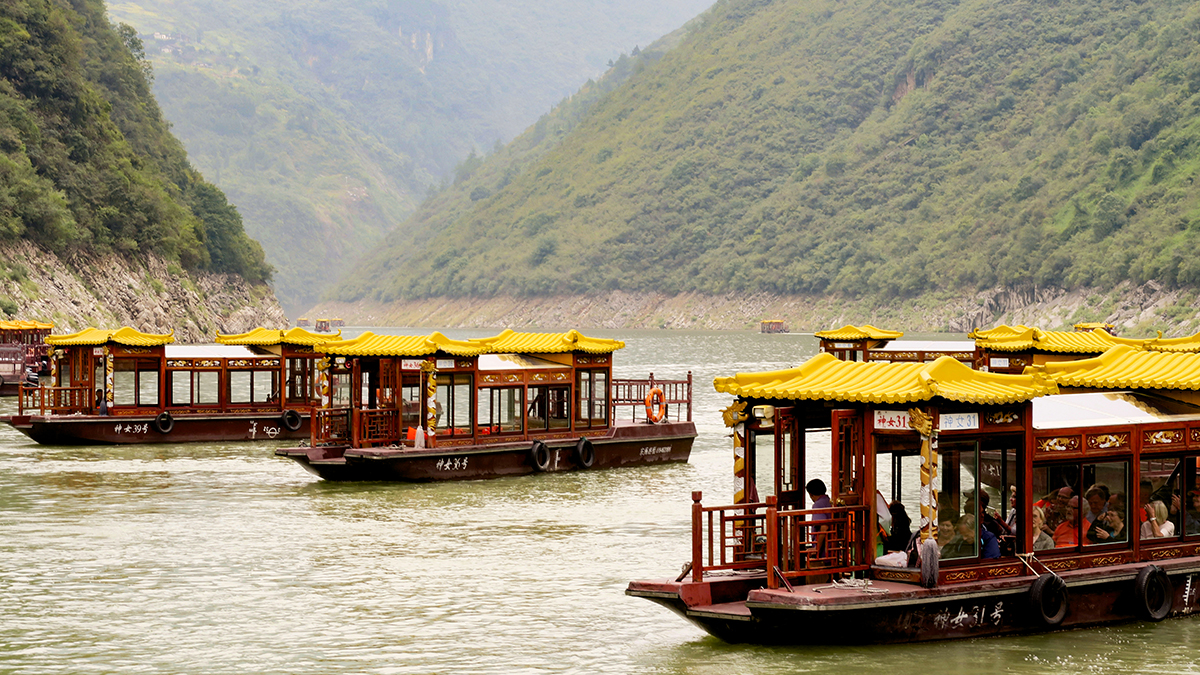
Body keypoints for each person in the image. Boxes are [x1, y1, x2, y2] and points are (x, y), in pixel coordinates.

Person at [806, 479, 832, 561]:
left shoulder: (818, 505)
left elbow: (824, 527)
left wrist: (816, 548)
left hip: (825, 548)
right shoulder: (829, 501)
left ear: (811, 494)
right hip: (833, 546)